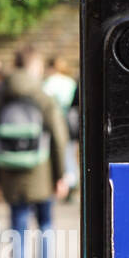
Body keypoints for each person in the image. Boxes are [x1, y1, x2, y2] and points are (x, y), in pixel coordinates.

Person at [0, 46, 69, 258]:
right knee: (45, 226)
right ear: (35, 67)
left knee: (19, 231)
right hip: (42, 174)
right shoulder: (43, 97)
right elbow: (58, 138)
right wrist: (60, 175)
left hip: (10, 174)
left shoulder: (1, 97)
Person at [42, 56, 79, 198]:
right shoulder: (69, 82)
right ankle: (73, 181)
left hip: (57, 122)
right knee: (70, 153)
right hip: (71, 123)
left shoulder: (49, 83)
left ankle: (66, 182)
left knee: (60, 153)